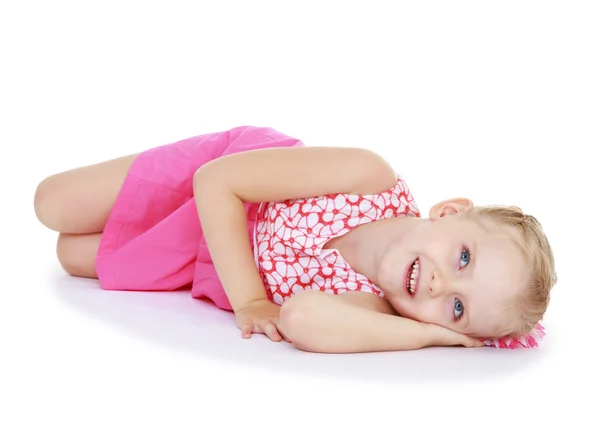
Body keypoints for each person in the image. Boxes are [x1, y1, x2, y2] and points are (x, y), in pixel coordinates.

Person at [33, 126, 557, 353]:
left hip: (217, 258)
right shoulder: (369, 177)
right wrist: (251, 301)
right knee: (50, 204)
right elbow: (217, 183)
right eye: (462, 256)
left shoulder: (379, 307)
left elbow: (303, 317)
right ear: (449, 211)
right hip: (224, 181)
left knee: (69, 254)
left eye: (458, 310)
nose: (441, 284)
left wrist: (431, 337)